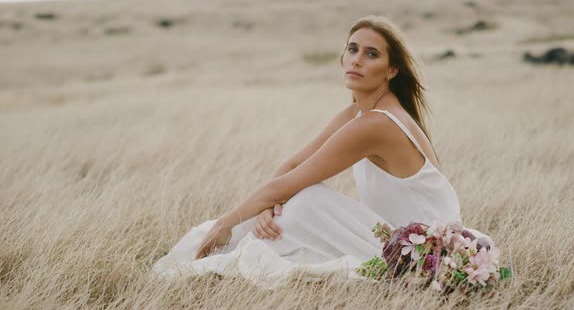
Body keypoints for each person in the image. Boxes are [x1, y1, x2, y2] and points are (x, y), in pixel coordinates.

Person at [151, 15, 490, 289]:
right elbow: (294, 163)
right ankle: (214, 254)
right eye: (353, 49)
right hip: (397, 235)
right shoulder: (357, 113)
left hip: (423, 249)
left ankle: (213, 257)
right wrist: (268, 207)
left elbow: (293, 180)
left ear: (391, 70)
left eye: (371, 54)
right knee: (288, 207)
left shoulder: (377, 123)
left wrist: (229, 222)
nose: (356, 60)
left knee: (306, 200)